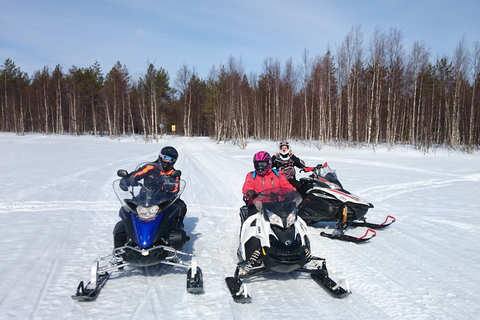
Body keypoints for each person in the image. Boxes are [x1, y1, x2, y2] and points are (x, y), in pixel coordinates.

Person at [120, 146, 187, 224]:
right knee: (127, 208)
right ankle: (128, 227)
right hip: (145, 196)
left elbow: (175, 189)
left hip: (164, 199)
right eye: (166, 158)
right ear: (161, 156)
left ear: (174, 161)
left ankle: (177, 224)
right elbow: (137, 174)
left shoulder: (173, 173)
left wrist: (167, 189)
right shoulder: (150, 167)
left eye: (171, 160)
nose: (168, 161)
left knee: (181, 206)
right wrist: (128, 180)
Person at [241, 151, 296, 218]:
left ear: (269, 163)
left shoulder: (277, 174)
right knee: (252, 222)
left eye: (263, 164)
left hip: (276, 203)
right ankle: (249, 228)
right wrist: (249, 191)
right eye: (257, 164)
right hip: (257, 204)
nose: (260, 167)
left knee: (289, 220)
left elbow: (285, 185)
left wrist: (292, 191)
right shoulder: (252, 175)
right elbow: (248, 184)